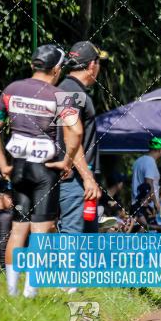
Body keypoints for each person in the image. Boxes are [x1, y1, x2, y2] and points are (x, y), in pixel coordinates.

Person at [0, 44, 83, 297]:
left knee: (18, 229)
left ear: (33, 65)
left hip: (18, 168)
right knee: (40, 232)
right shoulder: (60, 97)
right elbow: (77, 131)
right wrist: (67, 160)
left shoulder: (12, 90)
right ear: (57, 69)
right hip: (44, 170)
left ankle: (12, 292)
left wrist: (3, 164)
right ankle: (30, 293)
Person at [57, 41, 106, 234]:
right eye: (99, 63)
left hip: (82, 178)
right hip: (74, 179)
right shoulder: (70, 91)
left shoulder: (73, 90)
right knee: (73, 235)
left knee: (88, 236)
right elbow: (71, 138)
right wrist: (87, 178)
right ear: (92, 65)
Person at [131, 137, 161, 222]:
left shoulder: (138, 161)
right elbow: (149, 184)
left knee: (143, 231)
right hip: (146, 206)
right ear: (159, 150)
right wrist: (156, 203)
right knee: (150, 231)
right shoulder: (150, 162)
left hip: (136, 204)